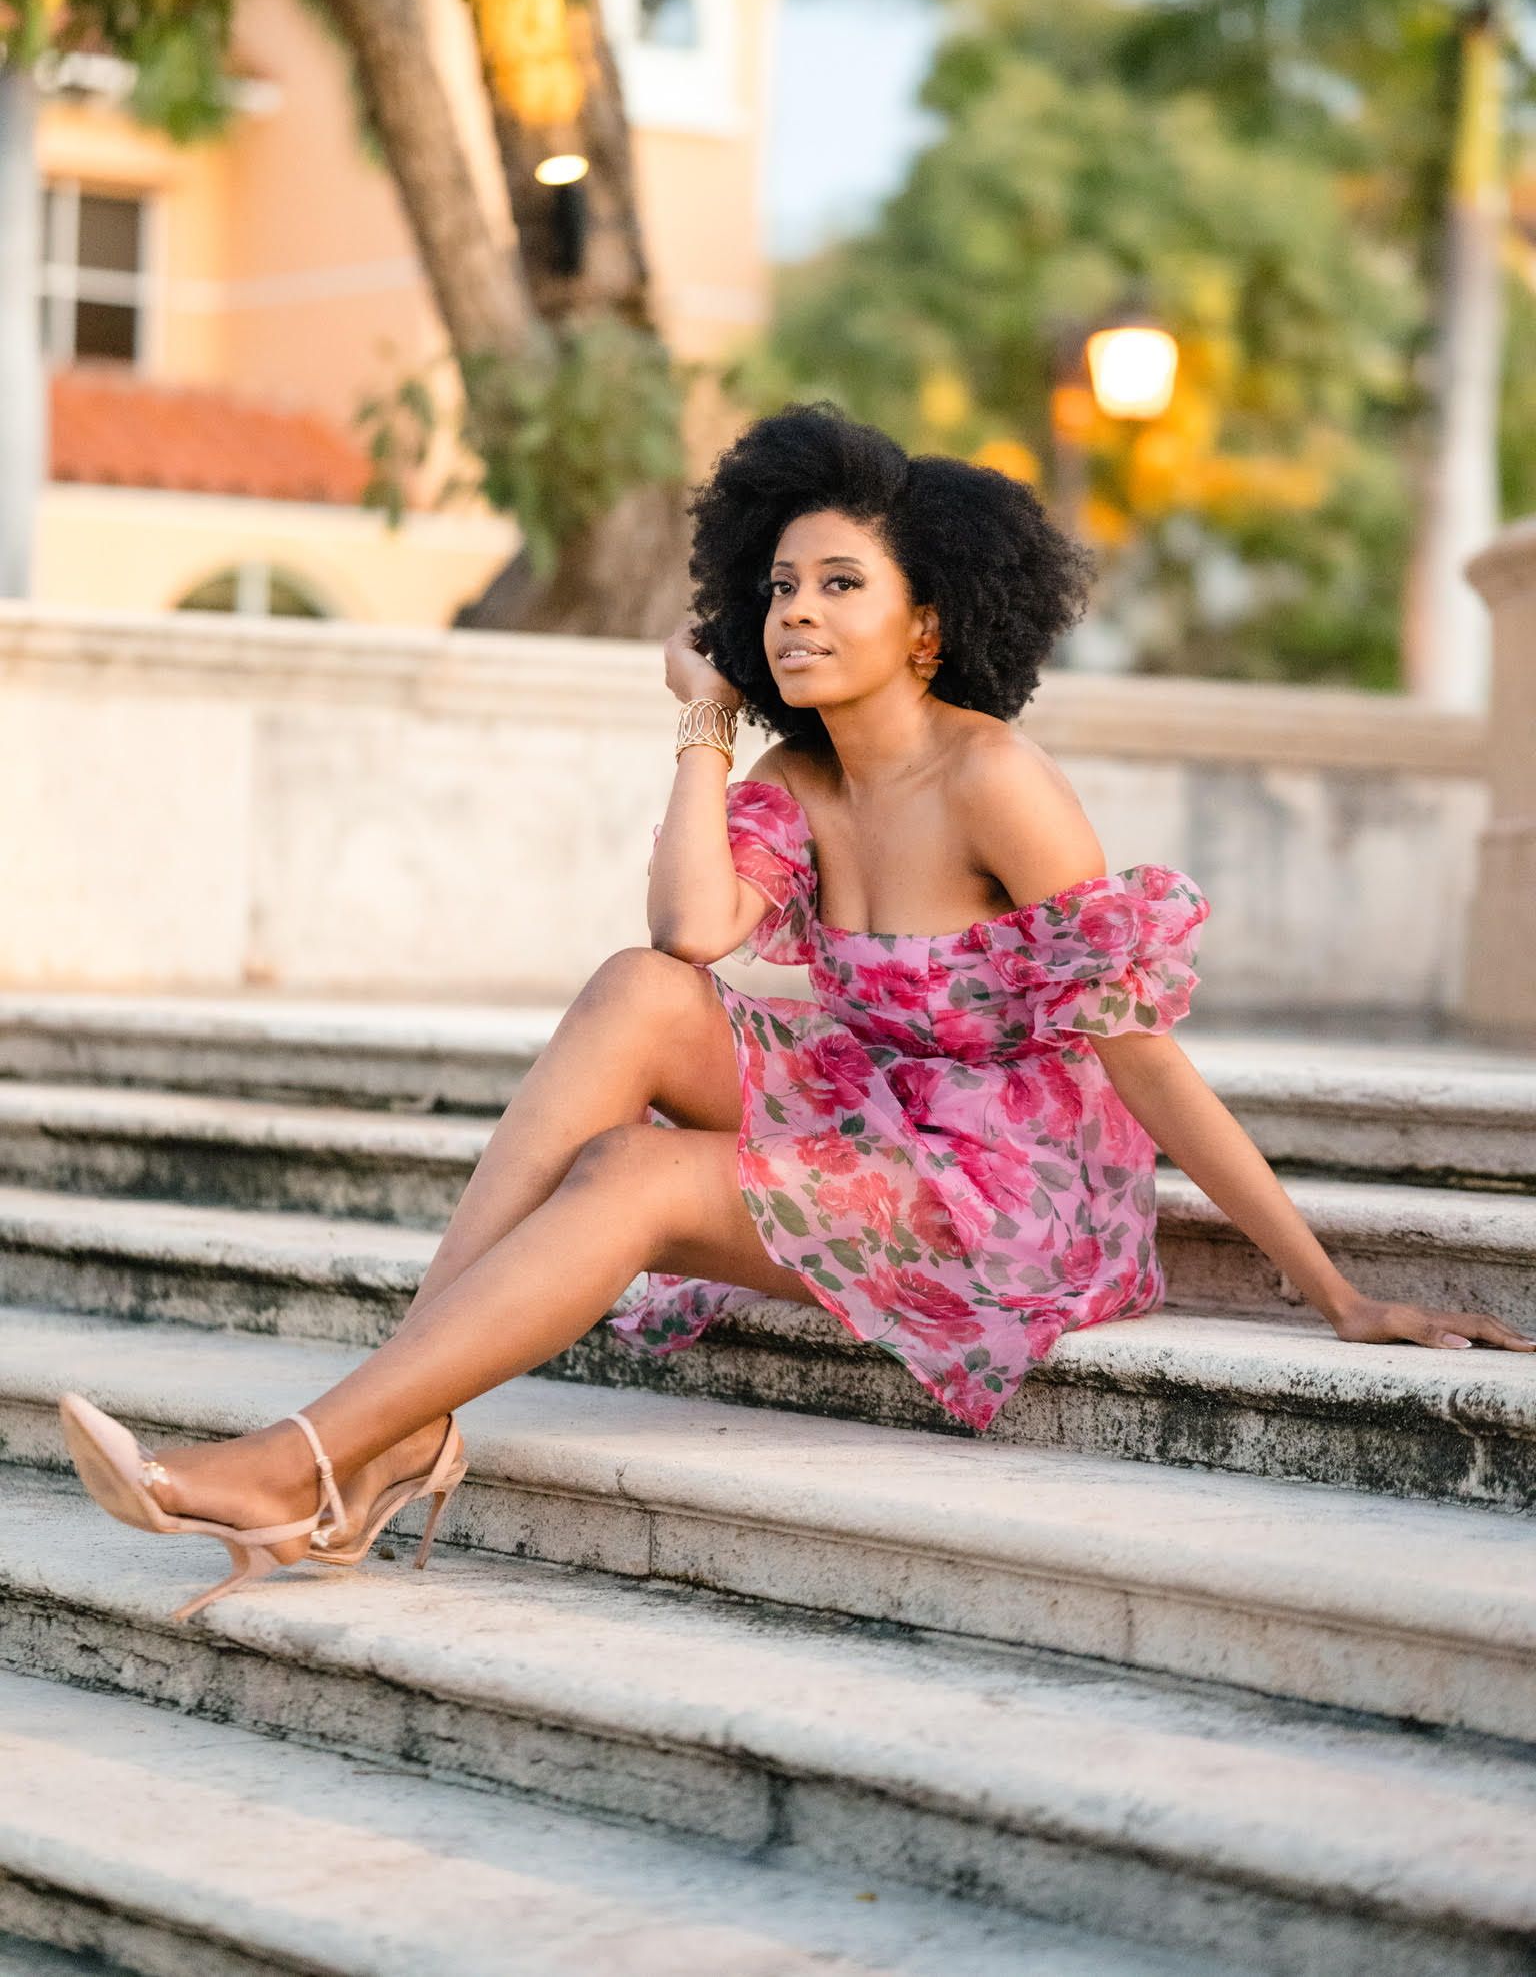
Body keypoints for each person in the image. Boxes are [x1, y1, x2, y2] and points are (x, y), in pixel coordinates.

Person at [59, 404, 1534, 1621]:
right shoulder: (800, 783)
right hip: (862, 1116)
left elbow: (1141, 1056)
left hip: (1001, 1195)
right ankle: (388, 1428)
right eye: (777, 587)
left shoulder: (993, 781)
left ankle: (316, 1452)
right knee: (640, 992)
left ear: (927, 623)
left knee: (630, 1170)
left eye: (840, 586)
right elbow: (688, 933)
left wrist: (1336, 1290)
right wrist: (702, 725)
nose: (797, 614)